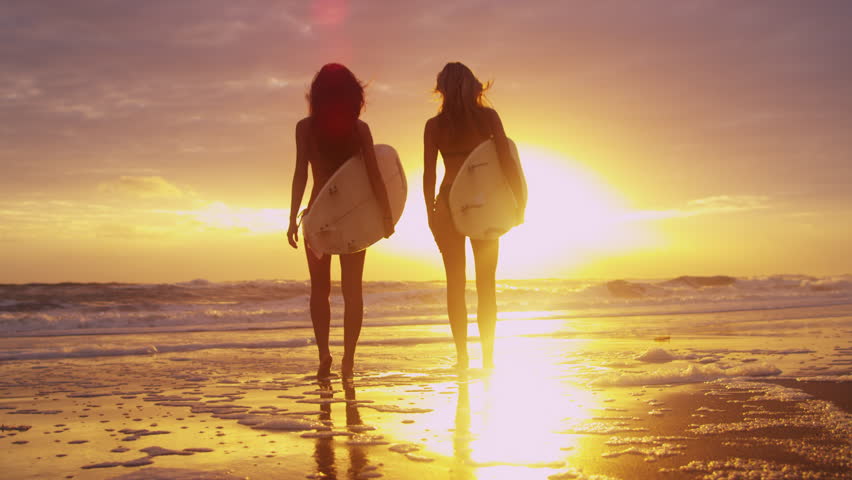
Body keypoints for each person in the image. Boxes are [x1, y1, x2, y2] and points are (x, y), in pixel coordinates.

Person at [287, 63, 394, 379]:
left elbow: (300, 173)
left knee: (319, 290)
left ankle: (324, 355)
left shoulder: (305, 128)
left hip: (318, 216)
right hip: (352, 218)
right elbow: (374, 176)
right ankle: (348, 360)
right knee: (352, 291)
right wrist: (386, 216)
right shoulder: (359, 130)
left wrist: (292, 218)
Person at [423, 62, 525, 369]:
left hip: (448, 202)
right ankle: (488, 359)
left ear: (442, 89)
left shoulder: (435, 126)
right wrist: (519, 201)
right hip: (485, 204)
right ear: (473, 86)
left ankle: (462, 357)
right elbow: (506, 161)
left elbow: (429, 175)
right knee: (486, 285)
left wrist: (430, 213)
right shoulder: (487, 118)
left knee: (455, 284)